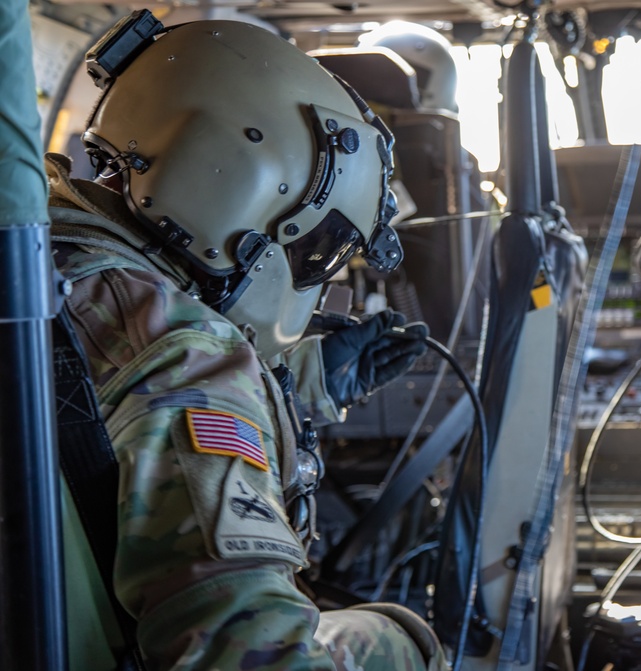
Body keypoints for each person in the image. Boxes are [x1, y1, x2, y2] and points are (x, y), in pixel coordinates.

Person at [49, 12, 445, 670]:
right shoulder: (186, 359)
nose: (311, 276)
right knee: (399, 636)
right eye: (316, 249)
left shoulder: (44, 252)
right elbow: (256, 657)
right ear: (243, 188)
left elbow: (102, 404)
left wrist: (311, 377)